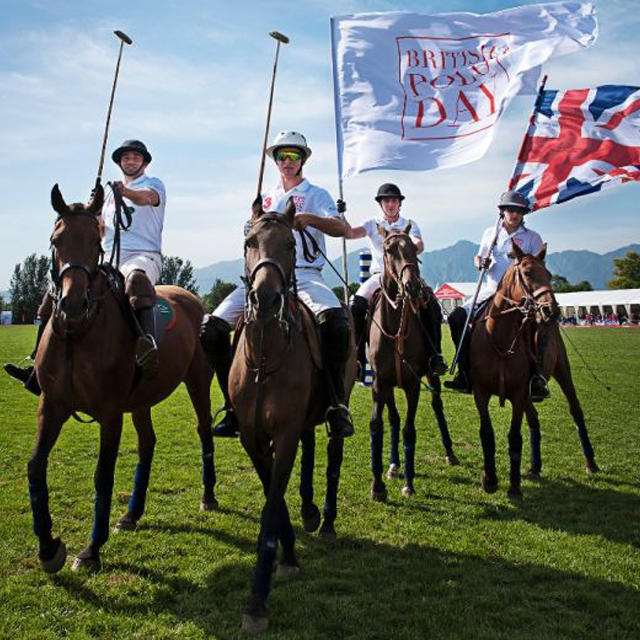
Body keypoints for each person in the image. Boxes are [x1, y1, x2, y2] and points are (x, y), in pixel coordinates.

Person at [200, 130, 355, 439]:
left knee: (336, 323)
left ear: (303, 160)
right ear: (274, 160)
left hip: (306, 275)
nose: (287, 161)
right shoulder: (265, 196)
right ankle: (232, 407)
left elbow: (344, 229)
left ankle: (336, 404)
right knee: (211, 329)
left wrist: (311, 218)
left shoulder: (316, 194)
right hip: (265, 276)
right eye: (282, 156)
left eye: (294, 156)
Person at [4, 139, 165, 391]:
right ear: (120, 163)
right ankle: (36, 365)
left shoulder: (152, 184)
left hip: (143, 256)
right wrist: (93, 212)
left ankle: (147, 350)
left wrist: (126, 192)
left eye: (135, 157)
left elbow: (147, 199)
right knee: (55, 291)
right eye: (125, 158)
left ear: (144, 162)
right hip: (109, 258)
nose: (130, 161)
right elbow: (100, 230)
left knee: (135, 279)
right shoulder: (110, 194)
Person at [444, 190, 550, 402]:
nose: (514, 214)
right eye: (510, 210)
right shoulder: (490, 233)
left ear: (523, 214)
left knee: (539, 326)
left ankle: (536, 377)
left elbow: (538, 268)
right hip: (490, 289)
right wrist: (479, 262)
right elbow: (479, 256)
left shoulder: (532, 238)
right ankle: (464, 372)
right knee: (456, 317)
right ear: (502, 212)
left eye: (518, 211)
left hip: (521, 297)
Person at [344, 183, 447, 381]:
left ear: (400, 204)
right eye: (386, 200)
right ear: (380, 203)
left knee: (431, 304)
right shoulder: (371, 223)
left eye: (394, 200)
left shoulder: (410, 223)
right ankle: (357, 360)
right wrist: (341, 216)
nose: (390, 204)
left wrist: (411, 243)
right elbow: (350, 233)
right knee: (356, 305)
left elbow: (419, 243)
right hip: (379, 276)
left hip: (406, 273)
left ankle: (435, 355)